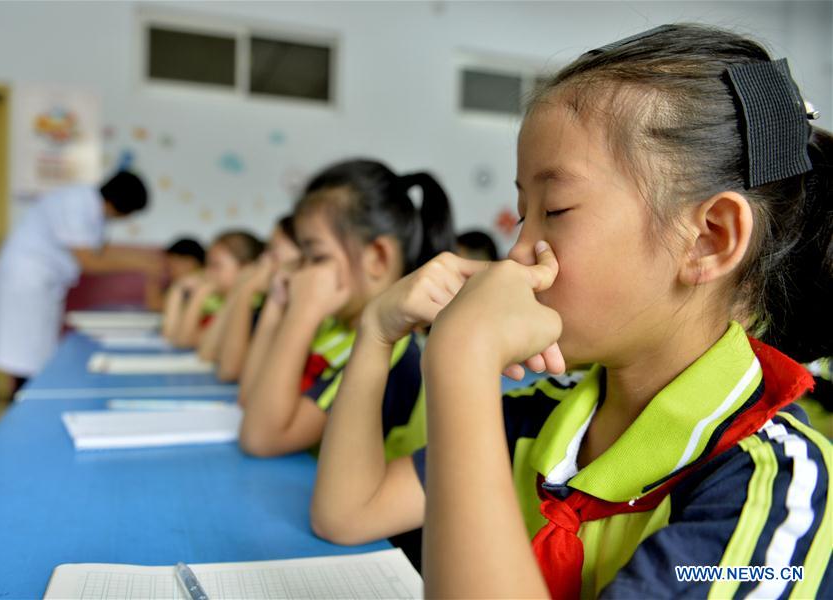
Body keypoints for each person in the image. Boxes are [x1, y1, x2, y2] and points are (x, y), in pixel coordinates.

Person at [316, 24, 832, 599]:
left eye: (555, 210)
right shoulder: (543, 418)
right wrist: (375, 332)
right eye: (521, 212)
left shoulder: (778, 487)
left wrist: (461, 359)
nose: (517, 252)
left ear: (709, 239)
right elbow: (348, 512)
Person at [237, 159, 455, 459]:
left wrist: (302, 313)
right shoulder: (333, 328)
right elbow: (251, 399)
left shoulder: (389, 349)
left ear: (376, 257)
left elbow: (260, 438)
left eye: (316, 257)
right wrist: (276, 305)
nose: (300, 273)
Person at [0, 170, 158, 391]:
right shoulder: (77, 203)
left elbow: (100, 250)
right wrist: (142, 264)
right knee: (25, 354)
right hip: (27, 279)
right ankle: (23, 404)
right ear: (121, 205)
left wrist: (144, 259)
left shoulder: (94, 210)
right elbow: (89, 261)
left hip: (41, 283)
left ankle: (25, 399)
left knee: (32, 352)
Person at [199, 216, 301, 381]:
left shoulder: (271, 306)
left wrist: (244, 291)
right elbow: (207, 353)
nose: (263, 260)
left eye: (273, 251)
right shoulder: (264, 303)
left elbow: (229, 370)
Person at [161, 230, 263, 348]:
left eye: (216, 265)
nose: (207, 273)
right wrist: (177, 290)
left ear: (246, 269)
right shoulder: (217, 300)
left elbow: (184, 340)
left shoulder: (251, 307)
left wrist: (200, 294)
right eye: (207, 264)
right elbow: (170, 335)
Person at [144, 238, 205, 311]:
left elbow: (156, 305)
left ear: (194, 263)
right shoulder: (178, 285)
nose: (171, 270)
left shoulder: (199, 286)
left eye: (175, 264)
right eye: (169, 265)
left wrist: (153, 277)